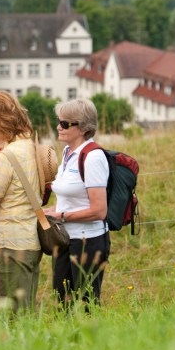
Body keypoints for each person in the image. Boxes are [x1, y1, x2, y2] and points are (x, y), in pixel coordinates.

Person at [0, 91, 42, 313]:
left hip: (9, 246)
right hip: (30, 241)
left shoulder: (4, 158)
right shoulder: (30, 147)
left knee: (9, 317)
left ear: (2, 121)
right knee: (25, 313)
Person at [43, 99, 110, 310]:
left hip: (87, 242)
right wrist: (47, 212)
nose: (58, 127)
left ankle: (89, 343)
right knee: (63, 303)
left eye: (64, 123)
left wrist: (62, 217)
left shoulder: (93, 157)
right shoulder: (67, 153)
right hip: (65, 239)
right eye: (58, 121)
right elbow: (68, 201)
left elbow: (99, 210)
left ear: (81, 128)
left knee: (86, 306)